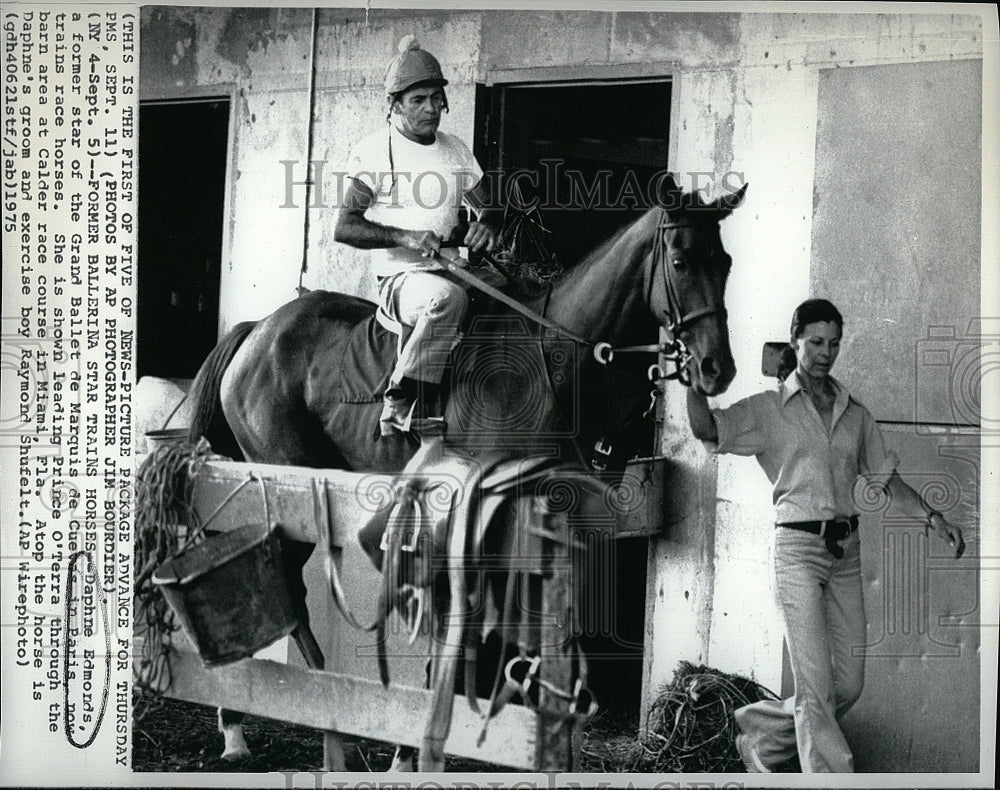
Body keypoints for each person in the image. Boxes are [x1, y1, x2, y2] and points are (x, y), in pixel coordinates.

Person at [686, 298, 965, 773]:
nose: (825, 353)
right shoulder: (769, 409)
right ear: (794, 341)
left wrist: (932, 517)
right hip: (797, 551)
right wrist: (690, 382)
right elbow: (708, 428)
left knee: (847, 684)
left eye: (833, 343)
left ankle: (762, 743)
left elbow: (885, 479)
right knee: (814, 689)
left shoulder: (853, 412)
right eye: (815, 342)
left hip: (846, 551)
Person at [335, 35, 498, 437]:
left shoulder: (456, 150)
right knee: (446, 300)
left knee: (506, 291)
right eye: (417, 100)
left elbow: (491, 206)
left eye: (435, 98)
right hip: (400, 280)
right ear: (395, 105)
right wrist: (404, 237)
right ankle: (402, 401)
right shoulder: (374, 151)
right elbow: (345, 226)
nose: (430, 109)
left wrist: (488, 224)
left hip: (450, 265)